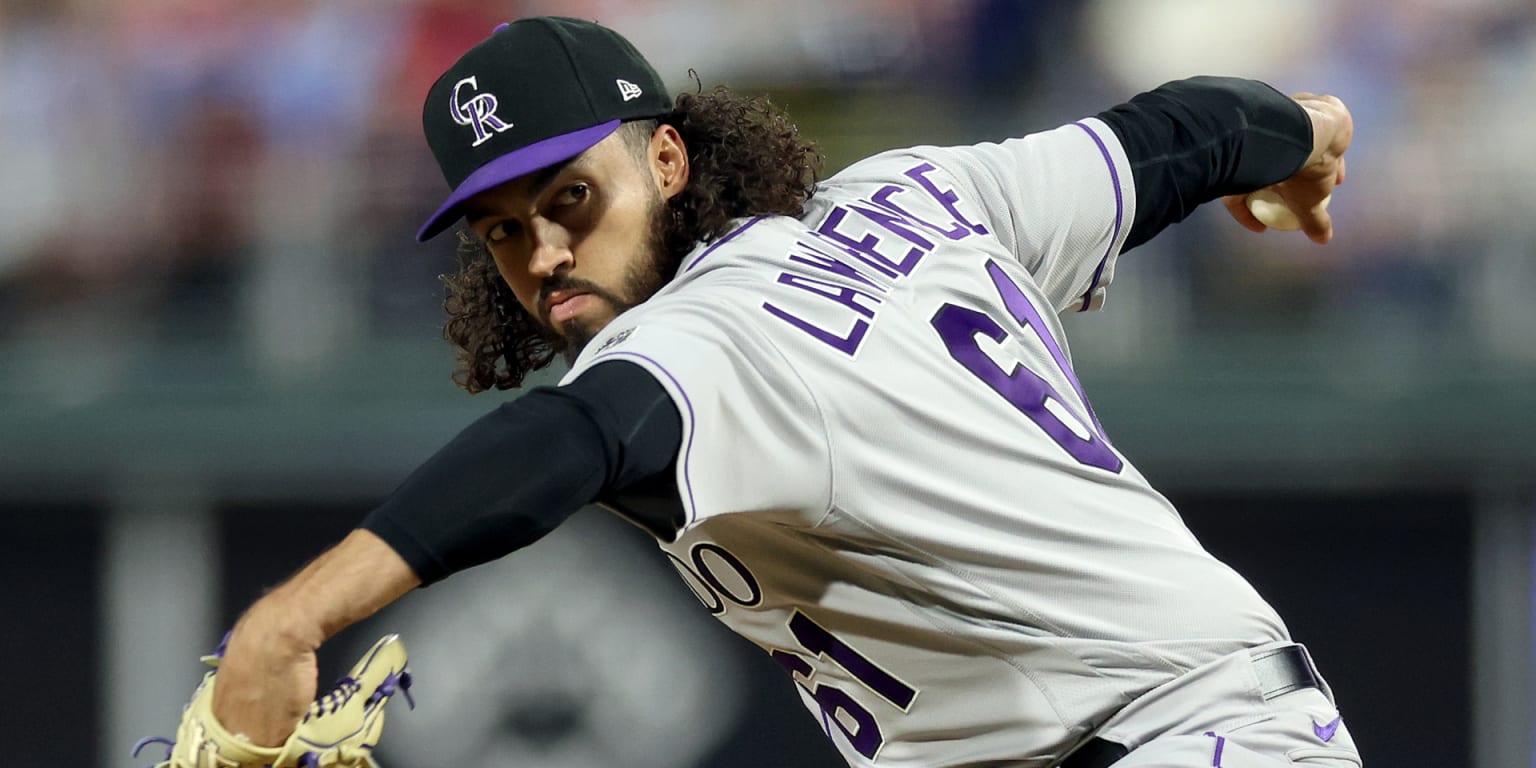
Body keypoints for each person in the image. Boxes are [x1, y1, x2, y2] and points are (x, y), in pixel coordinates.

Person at [208, 16, 1358, 768]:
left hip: (1174, 738)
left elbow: (567, 442)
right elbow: (1174, 136)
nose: (544, 254)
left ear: (666, 160)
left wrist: (295, 617)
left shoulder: (702, 335)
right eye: (503, 232)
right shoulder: (922, 191)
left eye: (570, 199)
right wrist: (1301, 133)